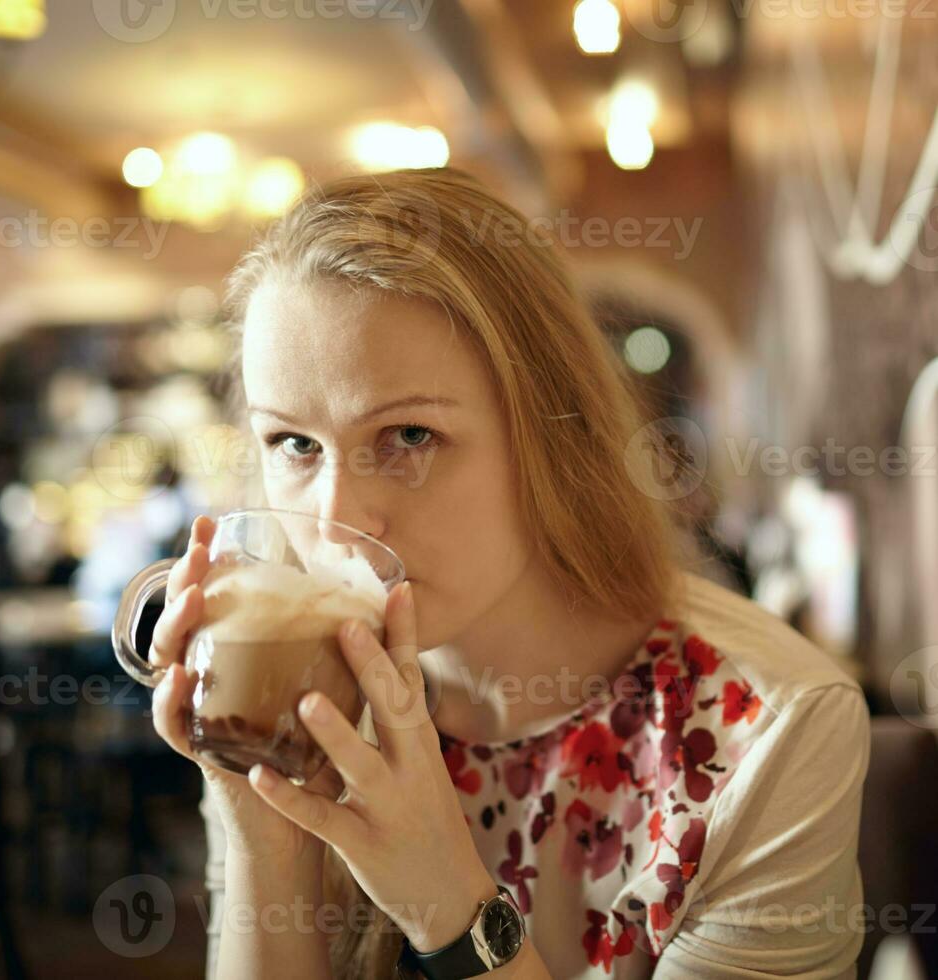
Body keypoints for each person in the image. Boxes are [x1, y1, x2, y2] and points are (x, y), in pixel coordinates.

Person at [147, 168, 870, 978]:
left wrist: (448, 906)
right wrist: (258, 826)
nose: (336, 521)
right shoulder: (296, 692)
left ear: (553, 436)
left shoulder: (767, 733)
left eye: (410, 436)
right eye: (294, 444)